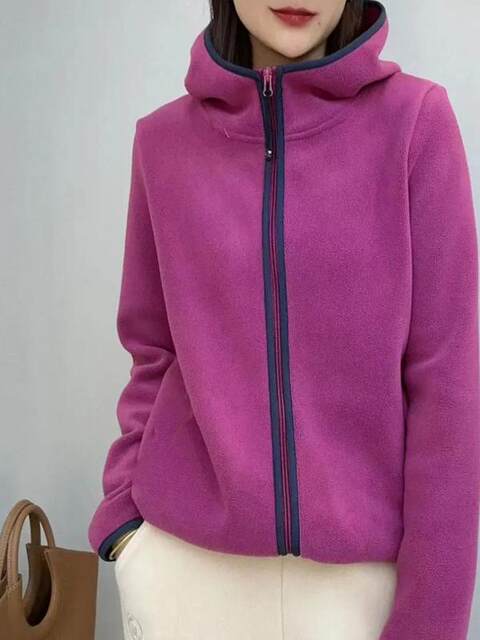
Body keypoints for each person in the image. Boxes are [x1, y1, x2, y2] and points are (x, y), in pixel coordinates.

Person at [88, 1, 480, 638]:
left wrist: (432, 618)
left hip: (359, 590)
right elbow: (151, 350)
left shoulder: (415, 123)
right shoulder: (162, 143)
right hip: (184, 574)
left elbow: (449, 388)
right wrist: (124, 527)